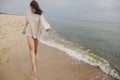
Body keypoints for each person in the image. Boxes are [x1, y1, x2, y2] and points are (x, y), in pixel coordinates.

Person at [22, 0, 51, 74]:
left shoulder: (39, 14)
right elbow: (27, 23)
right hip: (29, 32)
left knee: (35, 49)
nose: (33, 10)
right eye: (32, 8)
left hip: (36, 33)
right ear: (30, 7)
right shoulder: (27, 13)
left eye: (35, 8)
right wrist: (24, 30)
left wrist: (47, 27)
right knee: (31, 49)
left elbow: (43, 22)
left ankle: (35, 57)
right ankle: (34, 67)